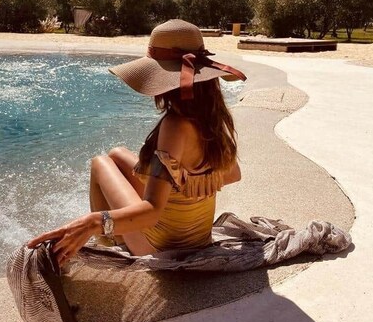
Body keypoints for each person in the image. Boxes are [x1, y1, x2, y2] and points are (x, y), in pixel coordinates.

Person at [27, 19, 247, 266]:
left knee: (100, 163)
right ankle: (121, 230)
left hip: (160, 247)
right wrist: (186, 183)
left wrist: (92, 222)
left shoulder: (175, 125)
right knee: (117, 153)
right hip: (197, 237)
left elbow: (152, 211)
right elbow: (233, 174)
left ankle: (110, 245)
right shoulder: (211, 116)